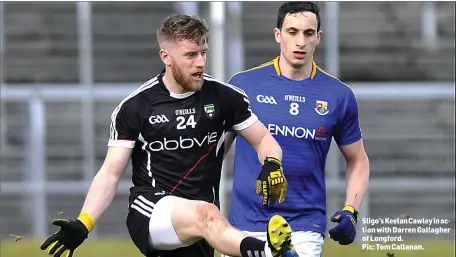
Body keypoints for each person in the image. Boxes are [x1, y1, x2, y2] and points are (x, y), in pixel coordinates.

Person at [39, 14, 298, 257]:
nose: (200, 63)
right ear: (166, 56)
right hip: (151, 211)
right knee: (205, 213)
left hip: (200, 226)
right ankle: (266, 251)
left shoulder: (225, 97)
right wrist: (84, 223)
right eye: (190, 55)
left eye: (203, 53)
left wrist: (272, 163)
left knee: (205, 213)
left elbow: (264, 140)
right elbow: (111, 172)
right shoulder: (136, 107)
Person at [223, 2, 370, 257]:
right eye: (292, 32)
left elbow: (357, 159)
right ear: (278, 34)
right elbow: (214, 151)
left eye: (308, 33)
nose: (300, 41)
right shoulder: (243, 85)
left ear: (318, 38)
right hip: (244, 224)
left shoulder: (338, 95)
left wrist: (351, 209)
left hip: (304, 226)